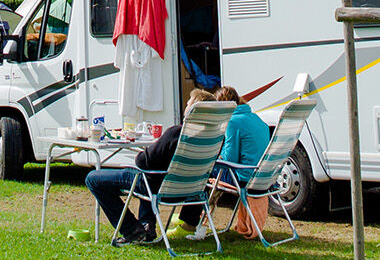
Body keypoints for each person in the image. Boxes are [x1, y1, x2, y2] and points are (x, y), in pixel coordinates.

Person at [84, 89, 214, 246]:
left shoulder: (176, 133)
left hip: (159, 189)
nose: (185, 106)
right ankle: (147, 226)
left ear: (193, 108)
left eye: (188, 103)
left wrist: (149, 150)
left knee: (93, 179)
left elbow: (142, 162)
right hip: (190, 192)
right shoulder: (215, 138)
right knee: (152, 173)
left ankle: (131, 229)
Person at [162, 86, 269, 240]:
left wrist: (212, 155)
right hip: (262, 177)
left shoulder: (232, 122)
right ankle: (187, 215)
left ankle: (189, 223)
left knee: (200, 172)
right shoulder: (255, 118)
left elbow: (230, 159)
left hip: (243, 177)